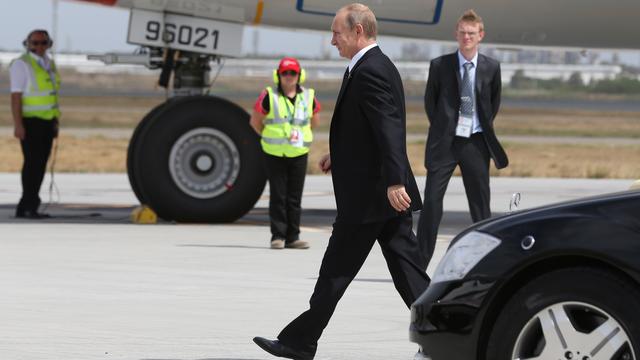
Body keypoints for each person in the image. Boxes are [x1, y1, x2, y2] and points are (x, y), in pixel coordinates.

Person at [253, 4, 429, 359]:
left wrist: (395, 182)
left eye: (337, 33)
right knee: (409, 275)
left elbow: (389, 129)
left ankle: (299, 341)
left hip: (371, 196)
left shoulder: (370, 71)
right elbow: (368, 128)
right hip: (377, 192)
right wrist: (341, 155)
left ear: (358, 31)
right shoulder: (369, 66)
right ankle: (455, 330)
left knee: (336, 272)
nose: (332, 40)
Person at [417, 10, 509, 266]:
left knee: (480, 207)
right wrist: (444, 127)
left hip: (476, 143)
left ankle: (485, 262)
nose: (466, 37)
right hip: (445, 143)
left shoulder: (492, 67)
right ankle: (419, 263)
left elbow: (493, 103)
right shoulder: (440, 65)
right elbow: (430, 103)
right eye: (462, 33)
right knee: (432, 203)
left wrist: (478, 127)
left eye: (471, 33)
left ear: (480, 35)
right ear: (456, 34)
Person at [249, 57, 321, 249]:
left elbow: (314, 121)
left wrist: (302, 137)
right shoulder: (269, 95)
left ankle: (293, 237)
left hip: (298, 152)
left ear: (300, 75)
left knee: (294, 197)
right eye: (285, 73)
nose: (289, 77)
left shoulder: (308, 95)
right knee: (278, 195)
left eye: (293, 73)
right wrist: (268, 137)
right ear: (278, 75)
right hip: (274, 153)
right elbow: (255, 121)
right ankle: (278, 236)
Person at [10, 29, 61, 219]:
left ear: (49, 44)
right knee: (32, 164)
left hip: (47, 122)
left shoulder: (49, 64)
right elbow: (16, 97)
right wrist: (18, 124)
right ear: (27, 44)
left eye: (43, 43)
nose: (39, 47)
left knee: (40, 164)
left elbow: (52, 95)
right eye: (35, 43)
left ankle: (29, 205)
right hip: (30, 122)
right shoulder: (21, 65)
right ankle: (27, 205)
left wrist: (55, 122)